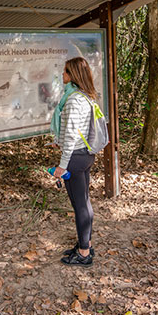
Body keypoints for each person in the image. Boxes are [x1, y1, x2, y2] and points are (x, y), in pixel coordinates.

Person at [50, 57, 97, 267]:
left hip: (75, 158)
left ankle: (84, 253)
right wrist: (58, 142)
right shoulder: (86, 97)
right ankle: (84, 243)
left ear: (72, 75)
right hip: (85, 154)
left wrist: (62, 165)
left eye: (65, 72)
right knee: (84, 202)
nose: (62, 75)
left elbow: (70, 136)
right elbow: (76, 131)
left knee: (80, 205)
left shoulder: (73, 100)